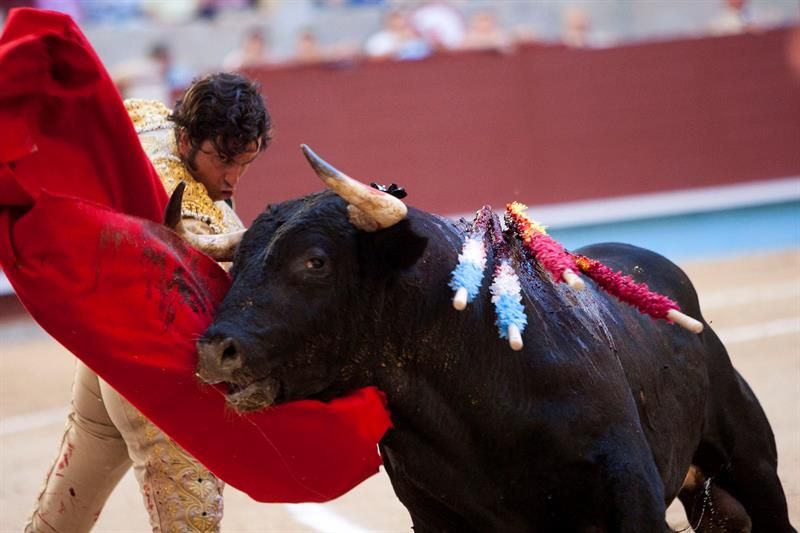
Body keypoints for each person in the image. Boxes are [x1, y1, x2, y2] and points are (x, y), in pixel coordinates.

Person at [24, 72, 271, 532]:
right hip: (161, 378)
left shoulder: (151, 118)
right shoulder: (187, 213)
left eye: (245, 162)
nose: (232, 177)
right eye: (222, 160)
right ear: (185, 138)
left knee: (62, 515)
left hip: (106, 360)